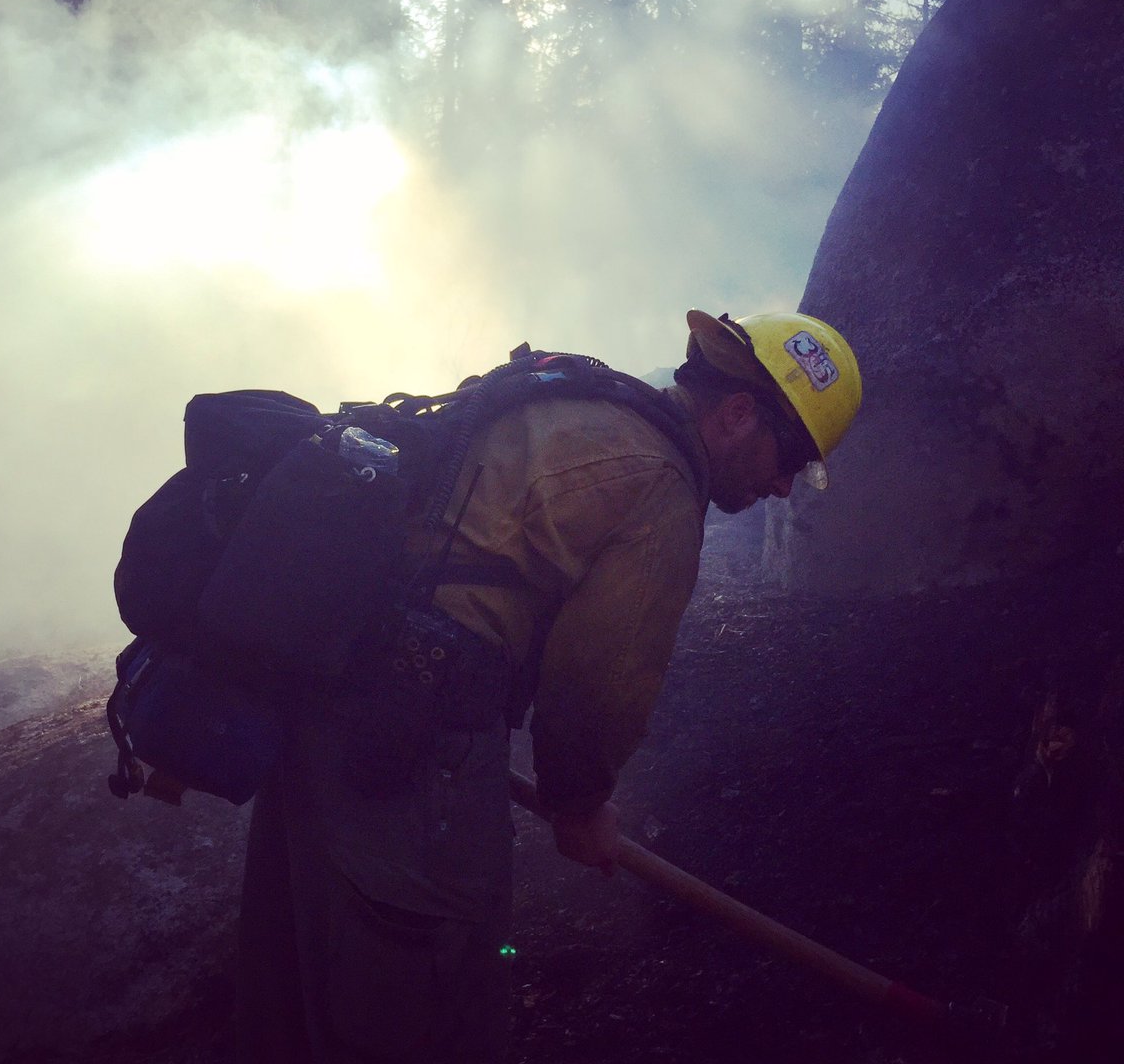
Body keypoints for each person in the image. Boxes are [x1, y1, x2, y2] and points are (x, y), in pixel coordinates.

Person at [236, 310, 862, 1062]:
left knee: (299, 985)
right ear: (737, 414)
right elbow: (599, 686)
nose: (787, 485)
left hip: (325, 701)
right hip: (409, 756)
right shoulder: (660, 485)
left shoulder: (581, 403)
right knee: (424, 1005)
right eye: (791, 455)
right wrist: (580, 804)